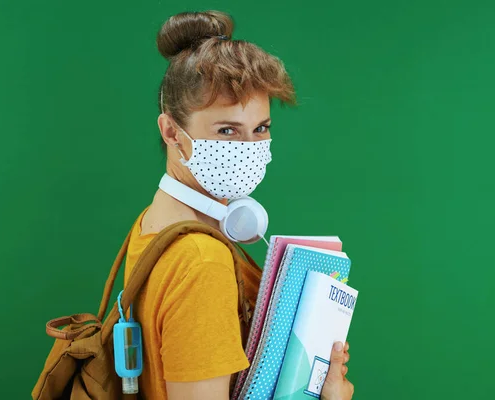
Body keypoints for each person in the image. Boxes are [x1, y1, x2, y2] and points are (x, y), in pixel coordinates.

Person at [122, 10, 354, 400]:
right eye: (227, 130)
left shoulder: (154, 223)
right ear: (171, 132)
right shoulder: (202, 260)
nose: (249, 149)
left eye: (260, 128)